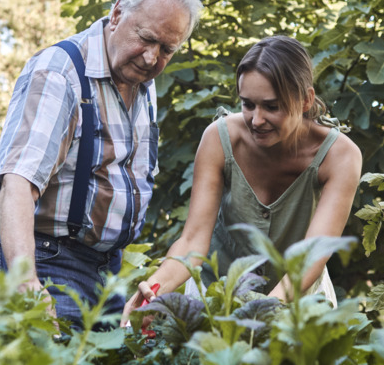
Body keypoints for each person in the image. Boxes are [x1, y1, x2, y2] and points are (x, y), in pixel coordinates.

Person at [0, 0, 202, 327]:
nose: (152, 59)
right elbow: (17, 183)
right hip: (48, 262)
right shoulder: (60, 73)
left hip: (109, 270)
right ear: (117, 13)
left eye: (167, 49)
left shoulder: (141, 82)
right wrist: (26, 281)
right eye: (146, 39)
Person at [123, 35, 362, 318]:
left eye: (272, 107)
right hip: (216, 301)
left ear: (306, 100)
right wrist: (154, 290)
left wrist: (262, 313)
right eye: (248, 104)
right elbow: (193, 241)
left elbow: (311, 256)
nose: (256, 120)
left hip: (299, 305)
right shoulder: (219, 139)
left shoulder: (340, 156)